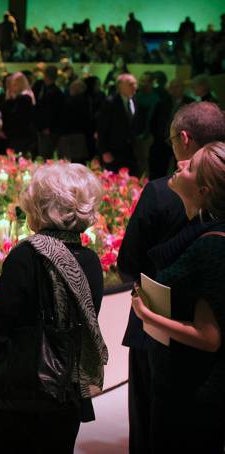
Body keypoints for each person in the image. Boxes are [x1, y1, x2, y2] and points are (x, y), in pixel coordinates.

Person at [0, 162, 107, 454]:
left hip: (22, 397)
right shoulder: (91, 261)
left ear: (41, 207)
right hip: (67, 396)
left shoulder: (27, 257)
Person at [117, 102, 225, 454]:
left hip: (175, 351)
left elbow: (129, 263)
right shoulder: (199, 214)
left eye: (188, 165)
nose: (179, 165)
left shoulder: (164, 195)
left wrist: (147, 313)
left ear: (185, 138)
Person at [98, 74, 142, 175]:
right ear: (120, 86)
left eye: (135, 84)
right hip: (114, 150)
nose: (135, 87)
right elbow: (102, 128)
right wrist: (104, 151)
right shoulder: (110, 102)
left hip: (131, 151)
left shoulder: (134, 100)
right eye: (131, 84)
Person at [0, 72, 35, 154]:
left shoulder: (25, 98)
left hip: (21, 136)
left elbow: (15, 116)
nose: (11, 87)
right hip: (17, 135)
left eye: (14, 85)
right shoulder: (21, 97)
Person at [33, 65, 62, 158]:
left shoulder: (55, 92)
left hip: (47, 128)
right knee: (42, 152)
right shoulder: (40, 86)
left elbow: (53, 112)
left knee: (45, 152)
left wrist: (48, 127)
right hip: (40, 125)